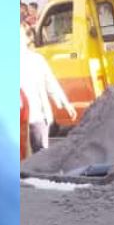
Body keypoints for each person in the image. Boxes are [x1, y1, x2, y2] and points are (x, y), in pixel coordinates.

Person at [21, 17, 75, 155]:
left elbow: (51, 83)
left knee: (41, 155)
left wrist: (66, 104)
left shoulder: (37, 60)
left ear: (27, 39)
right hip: (21, 120)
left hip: (38, 118)